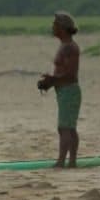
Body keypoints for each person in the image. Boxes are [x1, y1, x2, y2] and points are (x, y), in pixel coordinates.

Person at [38, 12, 81, 168]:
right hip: (64, 90)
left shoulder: (69, 47)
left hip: (69, 91)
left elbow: (70, 75)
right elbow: (63, 74)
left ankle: (62, 161)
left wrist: (51, 80)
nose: (52, 27)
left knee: (64, 128)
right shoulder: (65, 45)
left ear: (62, 28)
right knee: (69, 127)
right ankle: (71, 162)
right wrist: (50, 82)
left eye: (54, 25)